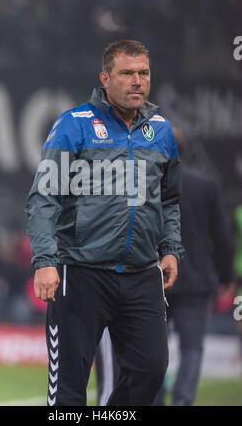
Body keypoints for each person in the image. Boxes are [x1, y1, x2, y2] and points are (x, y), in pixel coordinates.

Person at [25, 39, 184, 406]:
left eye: (143, 73)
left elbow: (171, 200)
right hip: (80, 271)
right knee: (69, 387)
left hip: (142, 273)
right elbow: (43, 197)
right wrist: (46, 260)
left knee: (151, 369)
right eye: (127, 73)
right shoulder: (73, 125)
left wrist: (171, 249)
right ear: (105, 78)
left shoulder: (161, 131)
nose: (137, 81)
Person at [95, 127, 233, 406]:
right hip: (195, 281)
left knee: (151, 348)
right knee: (192, 345)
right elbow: (221, 236)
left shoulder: (145, 183)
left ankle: (155, 400)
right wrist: (226, 275)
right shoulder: (205, 184)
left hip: (152, 276)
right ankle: (183, 400)